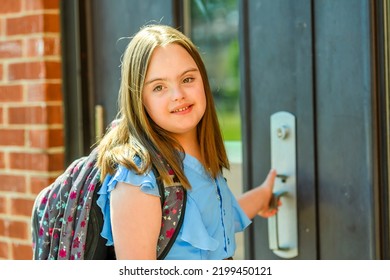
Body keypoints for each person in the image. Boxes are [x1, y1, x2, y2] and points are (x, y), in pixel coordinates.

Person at [95, 24, 279, 260]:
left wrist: (264, 195)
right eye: (159, 87)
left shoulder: (200, 156)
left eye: (188, 79)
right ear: (139, 99)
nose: (178, 94)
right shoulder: (139, 178)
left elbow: (215, 222)